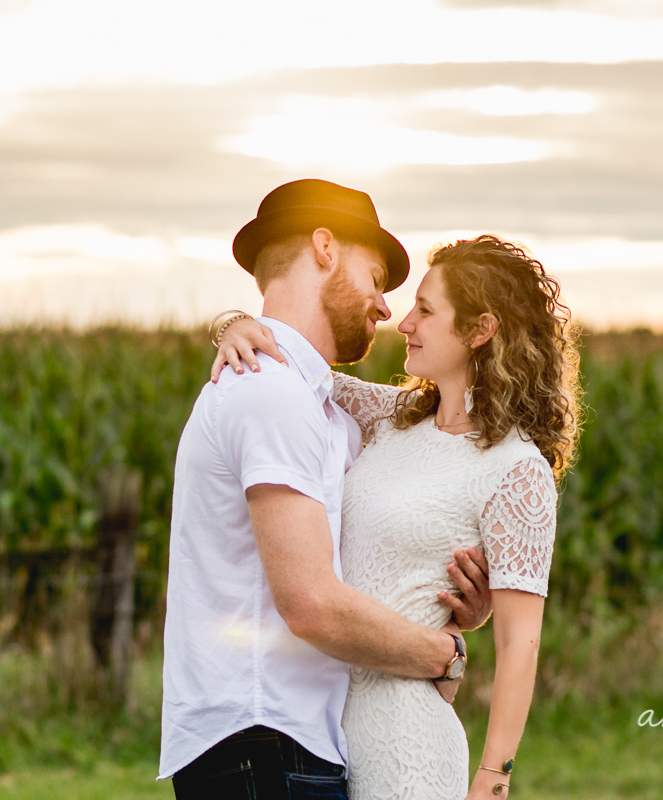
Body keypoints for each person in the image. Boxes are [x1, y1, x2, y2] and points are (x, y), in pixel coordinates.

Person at [212, 233, 581, 799]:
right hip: (325, 735)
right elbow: (295, 369)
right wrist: (232, 324)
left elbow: (520, 643)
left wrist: (494, 775)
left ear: (480, 330)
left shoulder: (516, 469)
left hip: (405, 741)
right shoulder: (395, 417)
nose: (404, 323)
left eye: (426, 311)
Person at [159, 179, 495, 800]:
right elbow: (311, 601)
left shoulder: (326, 415)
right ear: (324, 247)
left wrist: (456, 601)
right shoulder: (267, 392)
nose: (384, 308)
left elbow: (373, 546)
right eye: (375, 278)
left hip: (288, 743)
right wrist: (443, 654)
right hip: (260, 741)